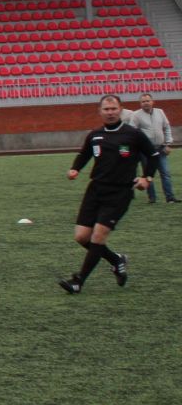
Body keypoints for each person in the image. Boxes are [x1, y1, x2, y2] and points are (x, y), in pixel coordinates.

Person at [59, 94, 158, 294]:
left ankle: (78, 281)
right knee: (81, 237)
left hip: (120, 192)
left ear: (120, 110)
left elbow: (153, 155)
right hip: (95, 190)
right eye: (106, 109)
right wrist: (75, 169)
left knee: (98, 235)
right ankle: (116, 260)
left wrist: (147, 178)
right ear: (100, 111)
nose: (110, 112)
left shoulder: (133, 134)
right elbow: (85, 153)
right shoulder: (94, 135)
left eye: (113, 109)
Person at [126, 92, 175, 203]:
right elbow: (132, 132)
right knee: (148, 174)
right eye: (143, 101)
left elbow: (167, 127)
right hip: (146, 151)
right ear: (140, 103)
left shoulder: (160, 112)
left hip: (161, 148)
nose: (146, 103)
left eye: (148, 100)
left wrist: (168, 143)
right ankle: (152, 198)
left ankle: (170, 197)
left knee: (165, 173)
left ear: (152, 102)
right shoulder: (136, 115)